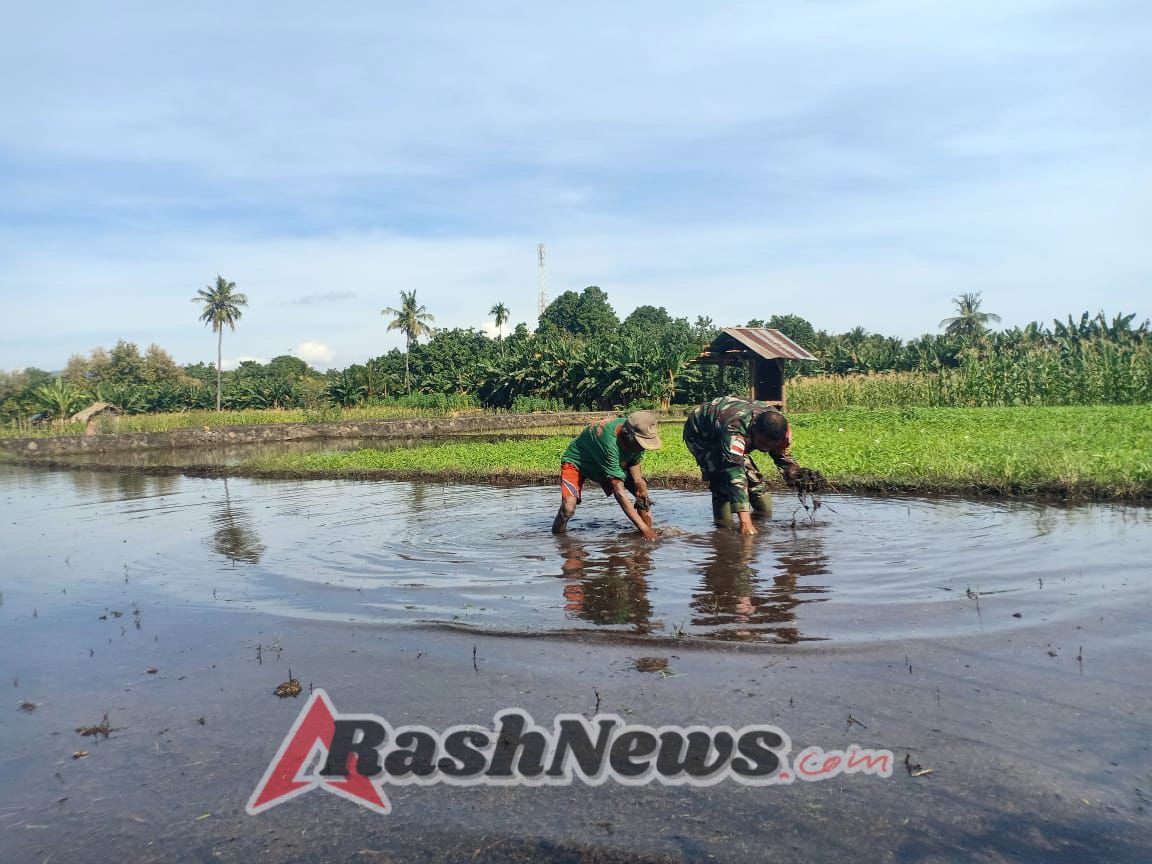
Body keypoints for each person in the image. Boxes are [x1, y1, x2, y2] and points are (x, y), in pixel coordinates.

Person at [682, 395, 808, 535]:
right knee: (721, 481)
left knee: (755, 482)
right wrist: (745, 523)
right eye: (763, 444)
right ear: (753, 430)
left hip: (729, 424)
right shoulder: (735, 430)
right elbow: (735, 473)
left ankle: (763, 518)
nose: (766, 449)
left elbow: (782, 455)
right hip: (702, 433)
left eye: (771, 445)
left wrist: (796, 473)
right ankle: (724, 530)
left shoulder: (781, 428)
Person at [552, 411, 662, 540]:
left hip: (613, 461)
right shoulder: (609, 443)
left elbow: (634, 461)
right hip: (578, 463)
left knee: (643, 499)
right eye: (640, 443)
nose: (642, 448)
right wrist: (645, 531)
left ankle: (644, 543)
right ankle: (559, 540)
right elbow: (619, 493)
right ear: (627, 435)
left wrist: (639, 483)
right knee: (567, 509)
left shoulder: (637, 431)